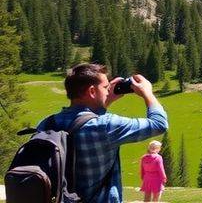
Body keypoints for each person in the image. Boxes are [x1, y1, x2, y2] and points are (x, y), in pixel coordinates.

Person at [40, 63, 168, 203]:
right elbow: (159, 124)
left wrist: (104, 102)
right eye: (106, 88)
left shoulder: (46, 124)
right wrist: (148, 93)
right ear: (92, 91)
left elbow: (82, 122)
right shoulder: (107, 126)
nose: (108, 91)